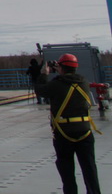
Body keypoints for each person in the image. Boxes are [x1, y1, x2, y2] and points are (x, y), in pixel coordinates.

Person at [46, 52, 103, 194]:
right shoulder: (83, 82)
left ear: (61, 67)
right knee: (89, 167)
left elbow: (40, 90)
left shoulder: (57, 83)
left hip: (63, 133)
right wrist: (61, 69)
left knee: (67, 170)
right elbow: (68, 80)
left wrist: (44, 74)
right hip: (85, 132)